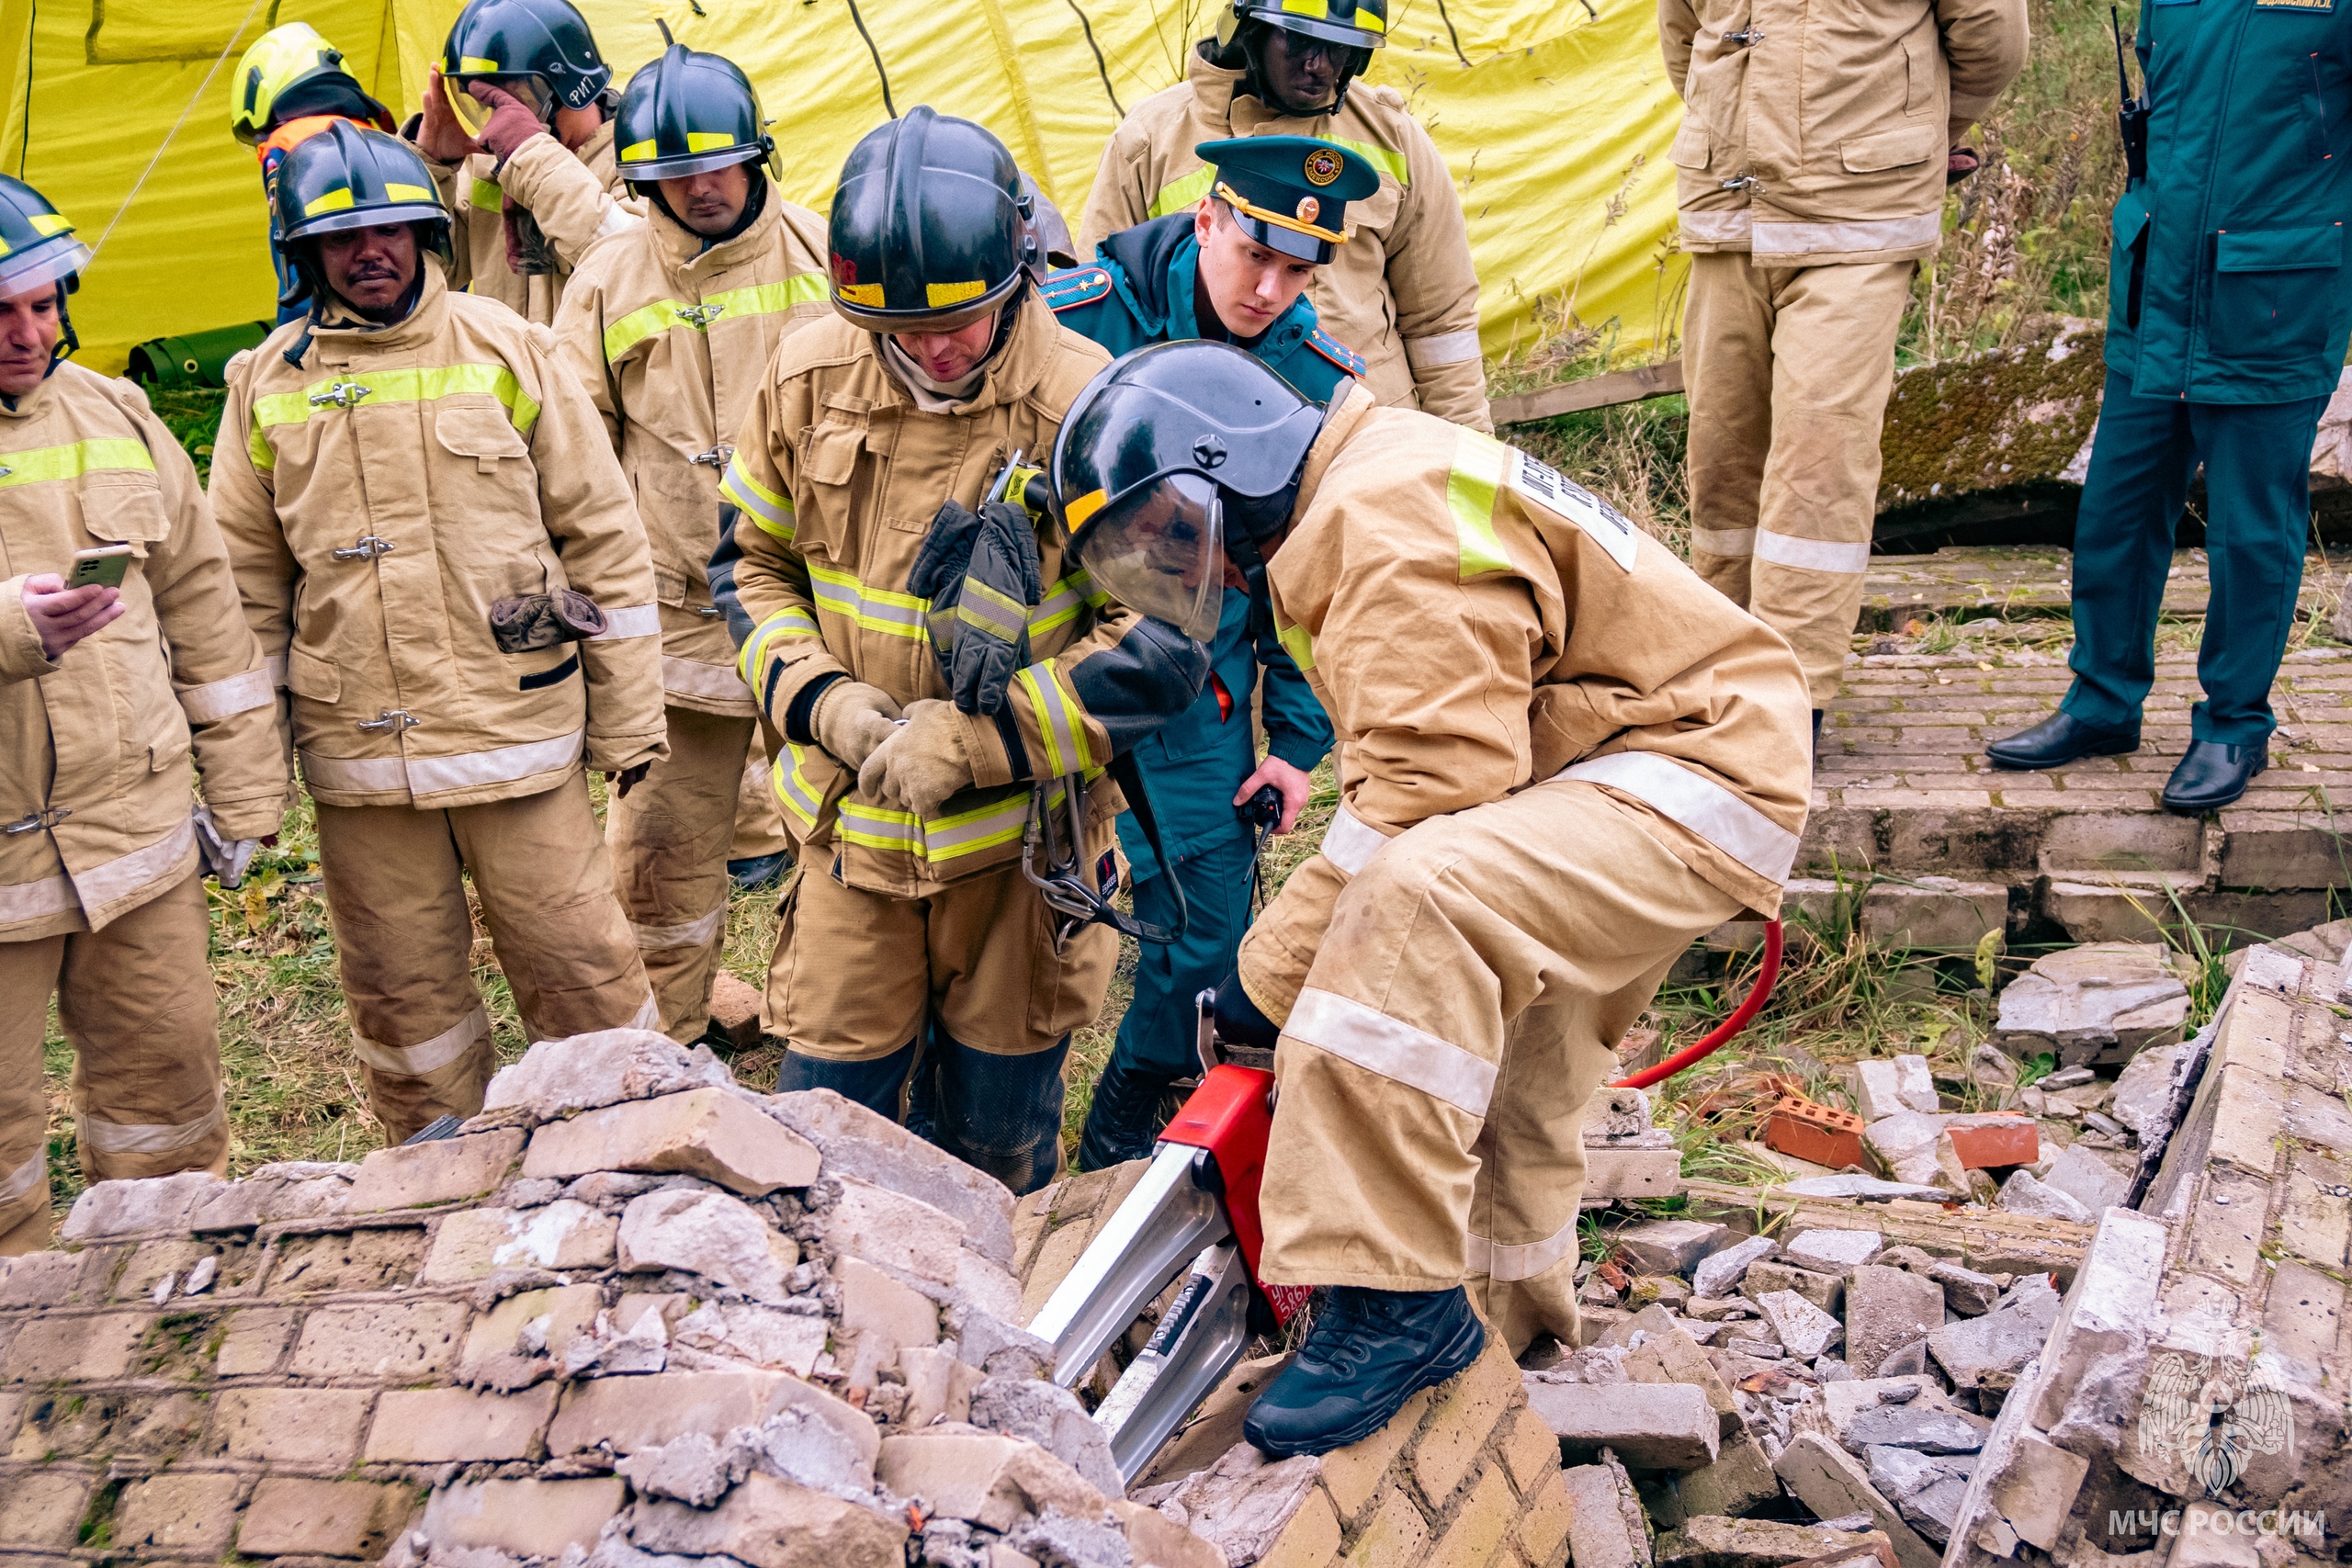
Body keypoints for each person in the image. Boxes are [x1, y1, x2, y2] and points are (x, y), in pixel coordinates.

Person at [1048, 341, 1811, 1453]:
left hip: (1677, 777)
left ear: (1232, 463)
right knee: (1509, 1052)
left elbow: (1431, 791)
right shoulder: (1369, 483)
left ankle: (1391, 1306)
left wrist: (1267, 979)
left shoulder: (1377, 521)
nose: (1184, 567)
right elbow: (1440, 761)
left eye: (1170, 529)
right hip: (1642, 761)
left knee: (1421, 905)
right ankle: (1506, 1345)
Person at [717, 107, 1205, 1193]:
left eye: (966, 321)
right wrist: (822, 704)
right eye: (898, 329)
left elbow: (1166, 641)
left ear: (1020, 276)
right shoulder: (804, 378)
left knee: (998, 1155)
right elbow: (747, 568)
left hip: (1019, 865)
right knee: (823, 1151)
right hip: (849, 840)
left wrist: (982, 740)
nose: (933, 349)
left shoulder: (1091, 404)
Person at [210, 123, 667, 1145]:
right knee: (402, 1001)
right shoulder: (264, 383)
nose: (369, 252)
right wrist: (246, 783)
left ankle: (635, 1155)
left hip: (517, 740)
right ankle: (429, 1184)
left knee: (583, 974)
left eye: (390, 230)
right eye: (341, 239)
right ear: (304, 254)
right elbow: (238, 598)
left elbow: (605, 540)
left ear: (427, 231)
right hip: (363, 765)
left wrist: (629, 727)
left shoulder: (511, 347)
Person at [1046, 136, 1373, 1168]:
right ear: (1205, 221)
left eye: (1298, 272)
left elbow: (1312, 574)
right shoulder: (1077, 318)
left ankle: (1120, 1139)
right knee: (1011, 912)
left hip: (1200, 681)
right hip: (1045, 652)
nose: (1270, 292)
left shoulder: (1317, 381)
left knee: (1203, 933)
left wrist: (1299, 743)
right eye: (1254, 257)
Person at [0, 178, 287, 1253]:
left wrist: (248, 789)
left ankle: (166, 1290)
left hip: (140, 839)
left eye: (44, 304)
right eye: (1, 312)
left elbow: (208, 605)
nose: (30, 334)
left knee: (165, 1084)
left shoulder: (116, 413)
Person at [1984, 7, 2350, 811]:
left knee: (2252, 531)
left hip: (2274, 296)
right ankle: (2101, 702)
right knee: (2115, 511)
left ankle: (2234, 725)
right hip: (2157, 297)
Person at [554, 42, 831, 1045]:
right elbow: (566, 449)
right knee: (661, 863)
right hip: (673, 628)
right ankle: (662, 1049)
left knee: (841, 845)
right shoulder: (605, 284)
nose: (698, 188)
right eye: (671, 175)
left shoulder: (823, 255)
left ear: (759, 157)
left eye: (716, 165)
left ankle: (826, 1042)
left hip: (819, 613)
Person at [1663, 0, 2027, 743]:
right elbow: (1681, 35)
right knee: (1721, 457)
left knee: (1819, 462)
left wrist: (1915, 131)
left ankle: (1790, 696)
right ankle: (1718, 669)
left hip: (1859, 220)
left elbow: (1993, 42)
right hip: (1728, 214)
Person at [1077, 0, 1490, 431]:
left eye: (1339, 48)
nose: (1319, 65)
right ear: (1249, 28)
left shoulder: (1391, 134)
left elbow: (1443, 323)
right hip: (1210, 443)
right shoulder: (1149, 141)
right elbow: (1099, 324)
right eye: (1300, 40)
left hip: (1373, 435)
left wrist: (1468, 452)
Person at [406, 0, 638, 327]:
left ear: (568, 86)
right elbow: (426, 271)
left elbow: (631, 269)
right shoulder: (485, 166)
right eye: (483, 105)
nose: (498, 122)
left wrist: (532, 155)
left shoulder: (636, 154)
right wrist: (431, 170)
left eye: (517, 102)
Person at [227, 22, 399, 325]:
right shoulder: (375, 135)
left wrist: (294, 337)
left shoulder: (287, 145)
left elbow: (296, 255)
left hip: (327, 323)